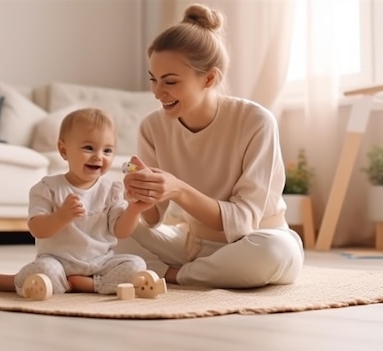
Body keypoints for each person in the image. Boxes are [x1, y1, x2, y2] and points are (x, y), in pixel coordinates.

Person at [118, 3, 305, 289]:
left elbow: (243, 221)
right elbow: (153, 219)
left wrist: (177, 188)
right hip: (193, 244)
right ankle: (200, 270)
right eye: (153, 80)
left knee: (273, 253)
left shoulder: (256, 121)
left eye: (169, 81)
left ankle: (172, 275)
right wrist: (139, 198)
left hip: (256, 241)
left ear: (209, 78)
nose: (157, 92)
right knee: (109, 226)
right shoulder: (152, 127)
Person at [0, 107, 148, 296]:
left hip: (101, 263)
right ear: (64, 150)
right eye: (89, 148)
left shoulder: (111, 190)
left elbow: (120, 231)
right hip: (58, 262)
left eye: (108, 150)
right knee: (44, 271)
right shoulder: (48, 188)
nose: (99, 156)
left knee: (137, 265)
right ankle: (16, 281)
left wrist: (135, 210)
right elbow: (37, 229)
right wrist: (62, 216)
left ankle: (91, 285)